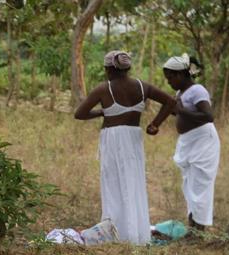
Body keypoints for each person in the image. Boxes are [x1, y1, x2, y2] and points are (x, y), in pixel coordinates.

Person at [74, 50, 176, 245]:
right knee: (133, 182)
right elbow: (170, 102)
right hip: (133, 137)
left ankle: (117, 232)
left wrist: (103, 112)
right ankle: (135, 233)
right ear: (127, 68)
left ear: (109, 69)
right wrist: (155, 124)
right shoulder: (142, 86)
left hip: (113, 138)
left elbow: (80, 113)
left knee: (113, 184)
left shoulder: (104, 89)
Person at [147, 54, 220, 231]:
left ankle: (198, 231)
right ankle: (193, 227)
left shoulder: (198, 90)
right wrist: (156, 124)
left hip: (203, 142)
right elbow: (177, 111)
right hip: (190, 142)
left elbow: (208, 116)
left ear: (180, 75)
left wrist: (182, 111)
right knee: (189, 185)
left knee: (199, 186)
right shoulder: (181, 93)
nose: (169, 82)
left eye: (171, 78)